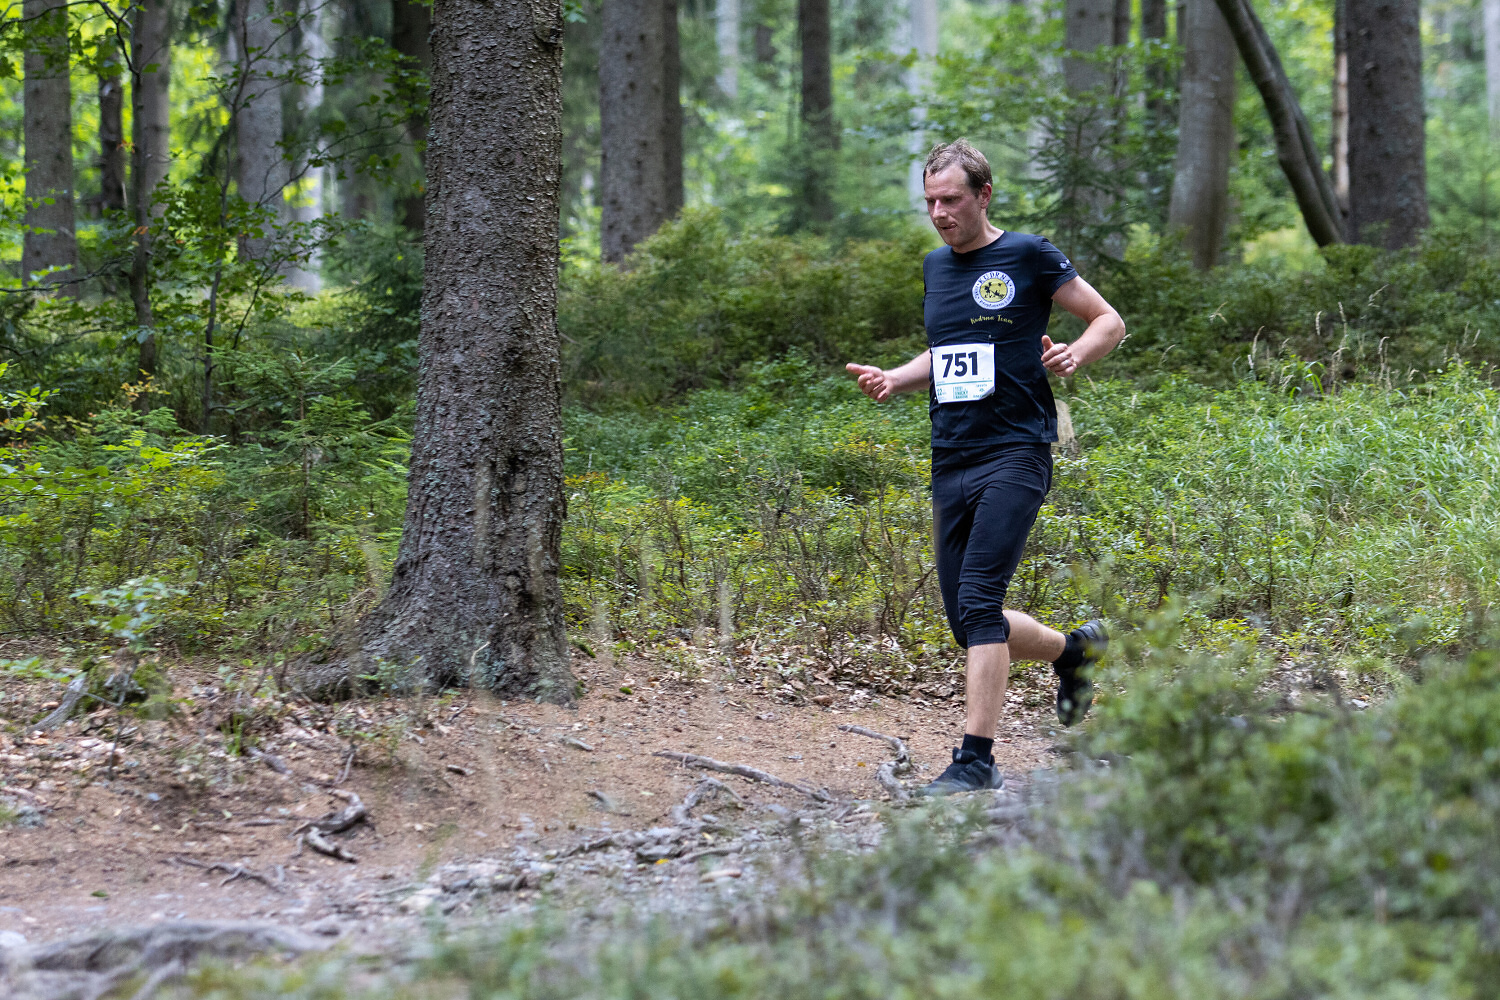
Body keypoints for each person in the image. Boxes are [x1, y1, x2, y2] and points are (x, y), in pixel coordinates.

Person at [846, 139, 1126, 795]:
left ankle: (976, 760)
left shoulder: (1028, 255)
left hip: (1016, 450)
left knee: (979, 602)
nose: (939, 213)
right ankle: (1075, 649)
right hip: (952, 455)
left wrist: (1076, 355)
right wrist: (896, 378)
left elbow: (1108, 321)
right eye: (930, 202)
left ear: (983, 195)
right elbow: (948, 352)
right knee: (969, 623)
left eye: (951, 199)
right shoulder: (935, 267)